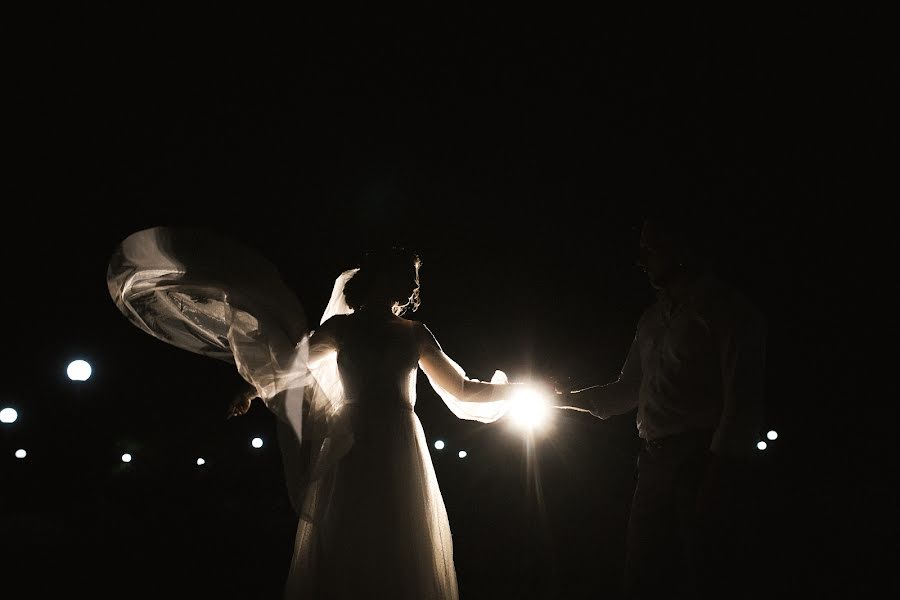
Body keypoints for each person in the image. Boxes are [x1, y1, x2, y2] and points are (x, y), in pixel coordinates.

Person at [228, 247, 530, 599]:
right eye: (409, 276)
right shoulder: (341, 329)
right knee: (348, 535)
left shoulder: (414, 333)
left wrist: (523, 389)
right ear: (383, 276)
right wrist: (249, 390)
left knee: (399, 540)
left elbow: (462, 390)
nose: (415, 287)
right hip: (350, 444)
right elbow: (290, 367)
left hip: (400, 444)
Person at [554, 211, 768, 599]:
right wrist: (559, 402)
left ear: (682, 246)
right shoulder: (651, 320)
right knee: (644, 576)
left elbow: (742, 405)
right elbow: (626, 391)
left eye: (652, 247)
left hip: (702, 459)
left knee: (707, 573)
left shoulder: (728, 311)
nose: (642, 258)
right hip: (653, 462)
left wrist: (716, 476)